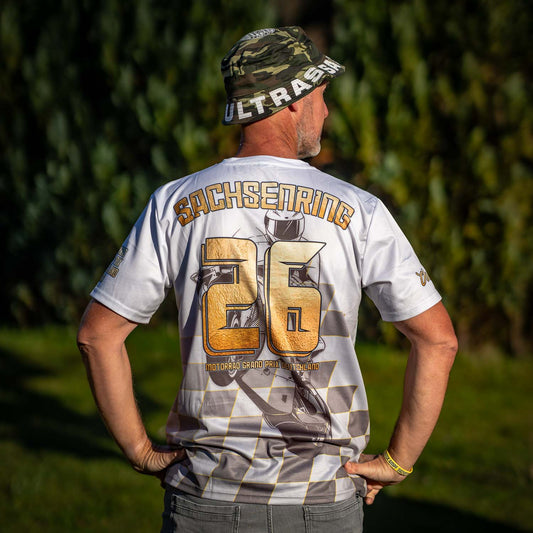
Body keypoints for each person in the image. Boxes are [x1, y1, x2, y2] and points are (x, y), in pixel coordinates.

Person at [77, 26, 457, 532]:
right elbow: (438, 340)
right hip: (321, 500)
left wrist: (140, 451)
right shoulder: (360, 210)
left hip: (204, 498)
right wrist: (397, 461)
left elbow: (97, 335)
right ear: (293, 99)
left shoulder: (173, 203)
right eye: (321, 96)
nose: (326, 112)